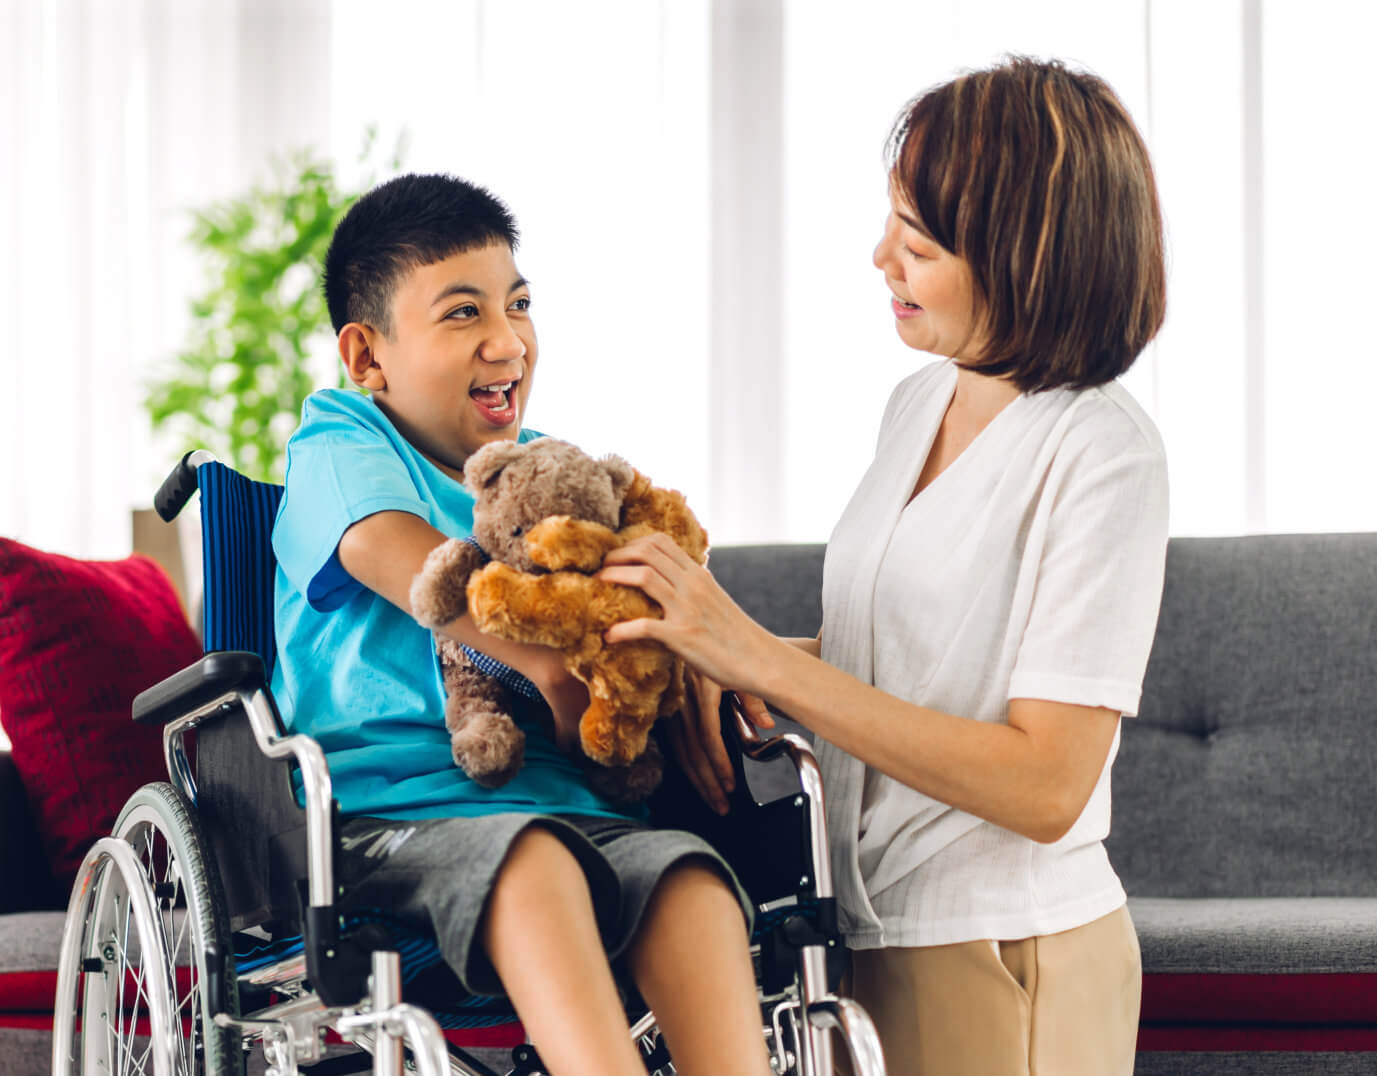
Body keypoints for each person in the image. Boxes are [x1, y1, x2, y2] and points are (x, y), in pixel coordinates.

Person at [601, 56, 1167, 1076]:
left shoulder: (1102, 452)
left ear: (1027, 257)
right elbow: (898, 654)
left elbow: (1049, 781)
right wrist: (721, 652)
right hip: (870, 933)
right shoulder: (917, 406)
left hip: (1007, 949)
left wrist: (762, 659)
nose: (880, 258)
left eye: (917, 241)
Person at [268, 172, 771, 1076]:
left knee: (691, 881)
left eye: (519, 304)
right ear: (367, 356)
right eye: (463, 314)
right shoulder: (340, 443)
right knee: (532, 863)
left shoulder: (542, 471)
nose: (509, 342)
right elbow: (396, 554)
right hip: (393, 815)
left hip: (575, 809)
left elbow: (642, 597)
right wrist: (542, 667)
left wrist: (702, 660)